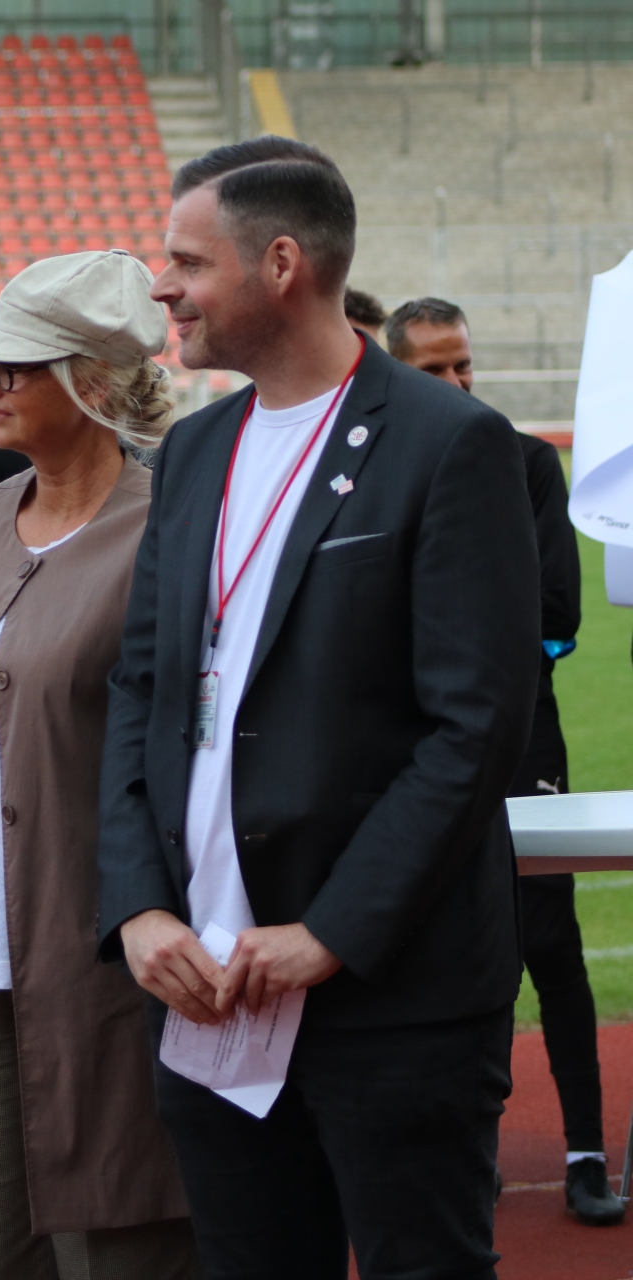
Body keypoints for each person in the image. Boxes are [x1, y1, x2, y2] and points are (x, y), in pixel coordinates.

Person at [98, 137, 541, 1278]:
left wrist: (331, 932)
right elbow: (142, 691)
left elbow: (474, 728)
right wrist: (139, 905)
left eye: (188, 262)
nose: (163, 288)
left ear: (282, 263)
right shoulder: (194, 450)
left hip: (389, 998)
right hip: (208, 990)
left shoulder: (451, 444)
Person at [0, 250, 199, 1280]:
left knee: (124, 1249)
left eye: (12, 365)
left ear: (91, 379)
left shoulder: (172, 527)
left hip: (106, 968)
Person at [386, 296, 617, 1225]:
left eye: (464, 365)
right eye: (433, 370)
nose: (457, 383)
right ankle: (467, 1152)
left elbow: (557, 612)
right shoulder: (382, 469)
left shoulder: (526, 462)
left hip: (524, 738)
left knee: (551, 942)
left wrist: (446, 641)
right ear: (397, 372)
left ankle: (587, 1151)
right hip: (413, 750)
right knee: (439, 949)